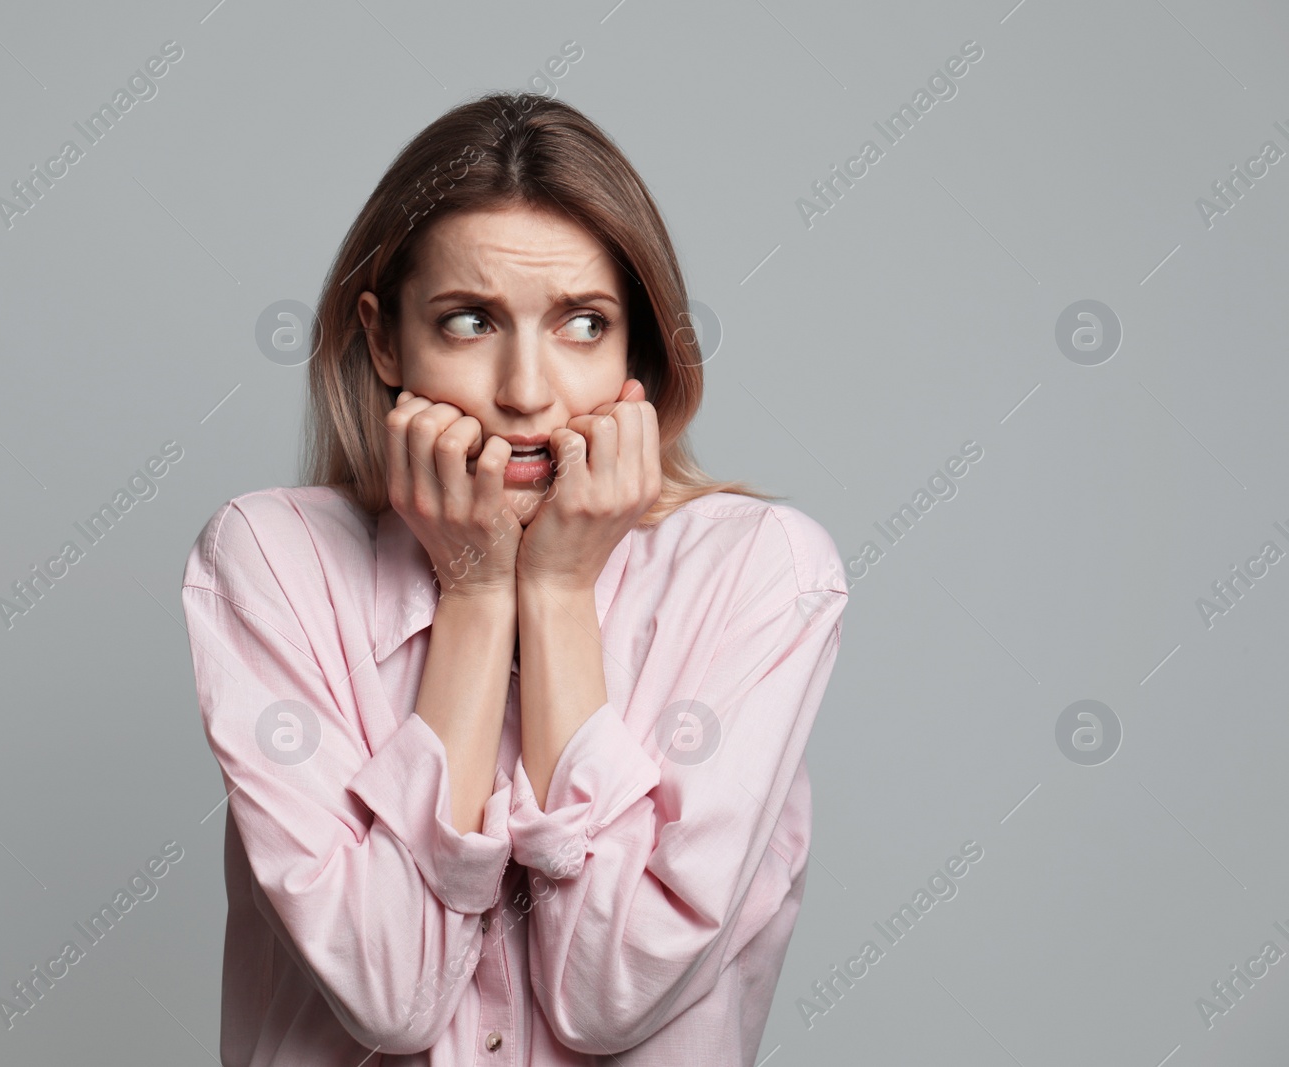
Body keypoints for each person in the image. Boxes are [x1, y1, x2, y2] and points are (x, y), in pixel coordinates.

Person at [180, 90, 850, 1065]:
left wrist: (559, 594)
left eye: (582, 323)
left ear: (642, 353)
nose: (526, 392)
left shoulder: (758, 574)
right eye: (467, 321)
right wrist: (475, 587)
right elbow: (389, 994)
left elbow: (609, 993)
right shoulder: (273, 563)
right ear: (383, 340)